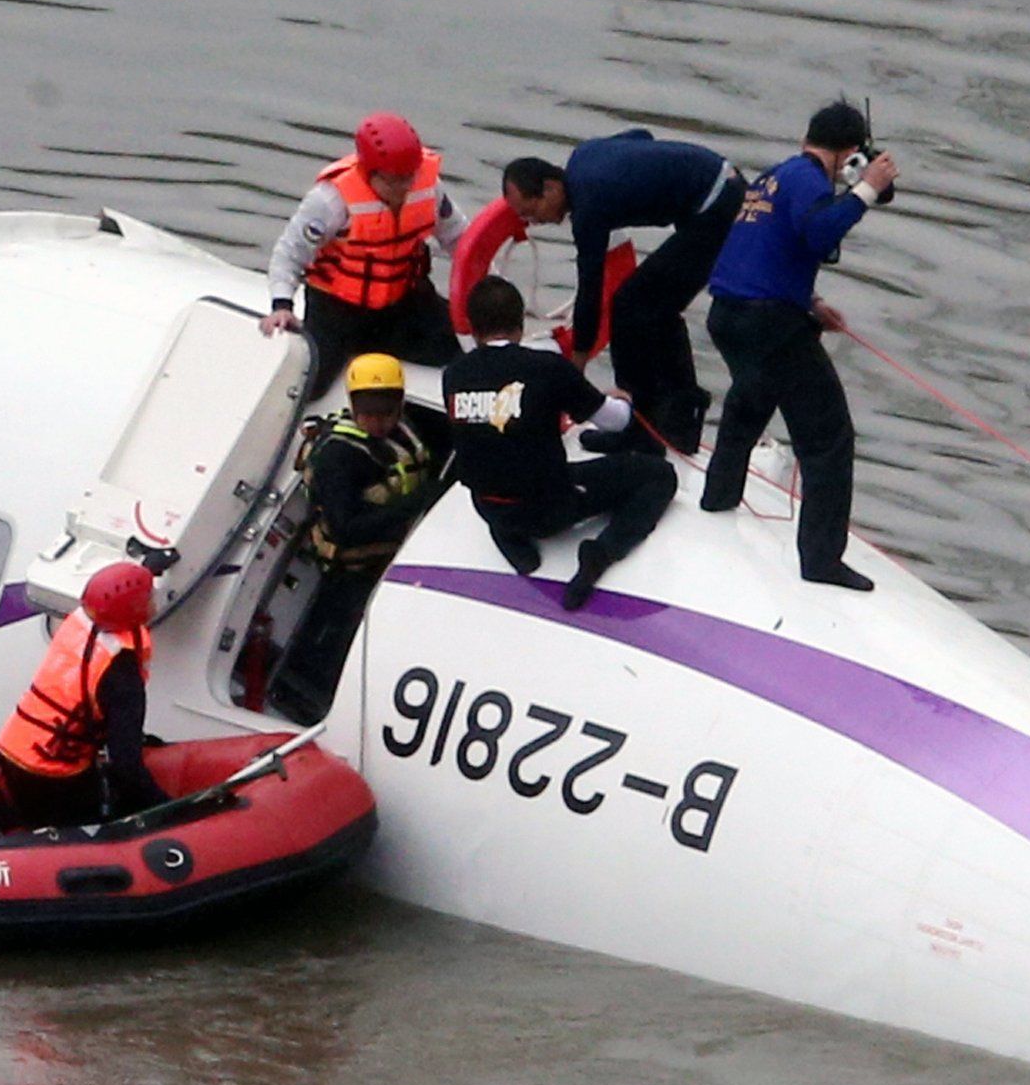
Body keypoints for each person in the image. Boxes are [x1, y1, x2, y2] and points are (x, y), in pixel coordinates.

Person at [699, 100, 900, 590]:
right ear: (849, 153)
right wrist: (867, 188)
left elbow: (763, 248)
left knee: (753, 396)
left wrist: (809, 303)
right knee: (828, 438)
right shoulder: (811, 179)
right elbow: (816, 233)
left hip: (729, 314)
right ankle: (821, 560)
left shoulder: (773, 177)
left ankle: (718, 496)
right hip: (768, 322)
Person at [497, 126, 746, 453]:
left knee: (629, 306)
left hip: (718, 209)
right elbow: (642, 136)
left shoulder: (589, 207)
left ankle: (640, 425)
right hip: (725, 183)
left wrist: (578, 364)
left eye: (531, 213)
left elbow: (590, 288)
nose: (532, 222)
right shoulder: (584, 155)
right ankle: (680, 414)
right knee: (653, 306)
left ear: (551, 188)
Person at [439, 276, 676, 610]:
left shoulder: (454, 374)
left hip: (488, 505)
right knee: (659, 475)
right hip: (548, 510)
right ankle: (602, 553)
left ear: (473, 329)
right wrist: (617, 400)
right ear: (520, 325)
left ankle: (508, 537)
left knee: (502, 459)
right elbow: (617, 422)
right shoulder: (546, 368)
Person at [277, 355, 436, 713]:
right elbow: (346, 529)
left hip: (387, 554)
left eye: (386, 412)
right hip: (352, 570)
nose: (378, 422)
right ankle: (303, 695)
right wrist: (416, 504)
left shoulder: (401, 433)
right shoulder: (339, 458)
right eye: (368, 413)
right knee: (338, 635)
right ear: (352, 406)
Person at [260, 112, 464, 392]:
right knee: (313, 385)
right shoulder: (330, 201)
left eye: (409, 177)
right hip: (338, 310)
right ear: (370, 172)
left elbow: (459, 239)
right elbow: (289, 254)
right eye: (394, 180)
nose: (405, 188)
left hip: (404, 301)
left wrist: (485, 291)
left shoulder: (429, 188)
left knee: (461, 353)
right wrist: (281, 306)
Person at [0, 560, 164, 828]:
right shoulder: (120, 674)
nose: (155, 597)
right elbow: (125, 766)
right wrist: (167, 809)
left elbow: (116, 593)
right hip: (50, 775)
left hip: (14, 746)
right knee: (94, 822)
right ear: (135, 610)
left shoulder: (83, 621)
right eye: (150, 594)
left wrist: (149, 568)